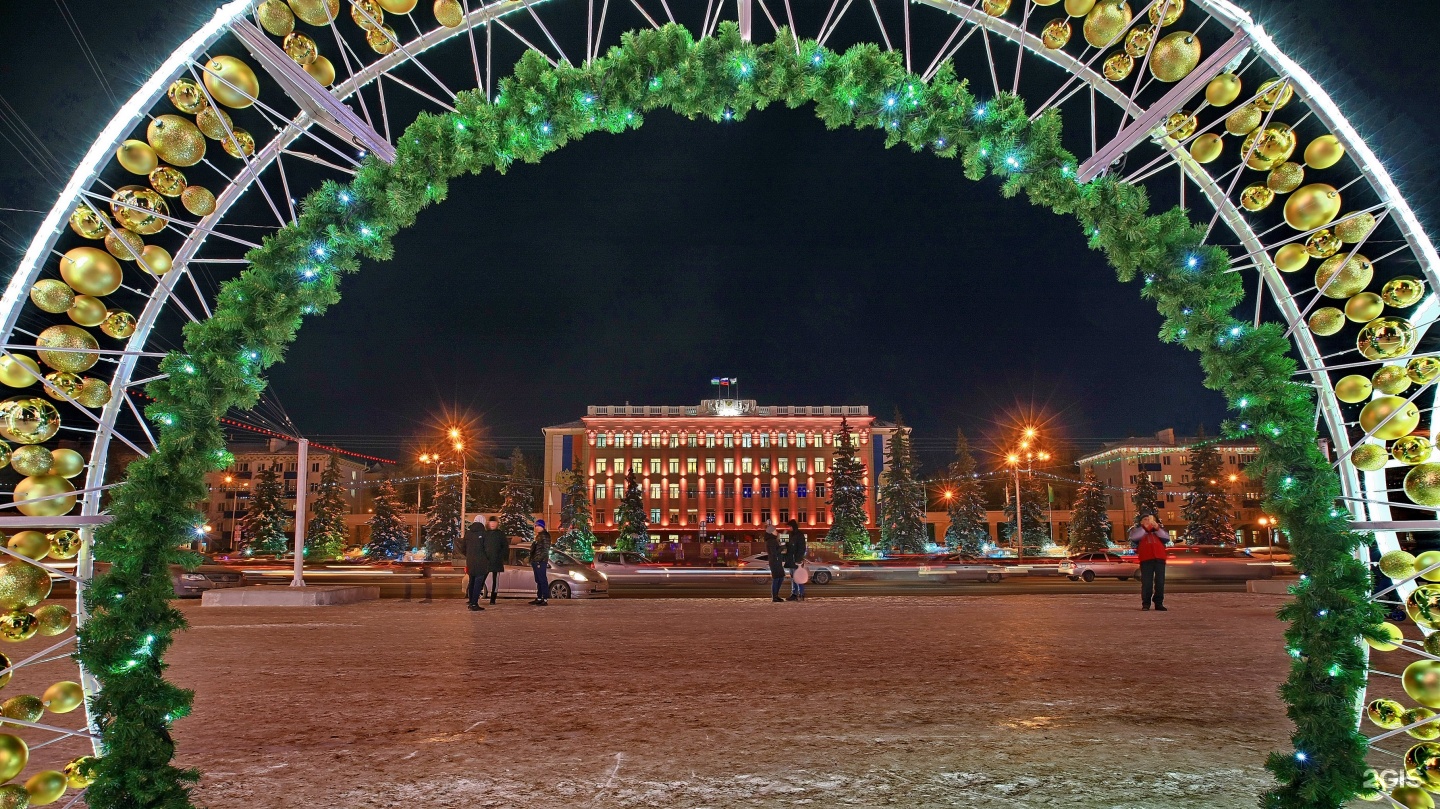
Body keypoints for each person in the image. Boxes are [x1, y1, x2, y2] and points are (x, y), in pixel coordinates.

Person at [1129, 515, 1171, 611]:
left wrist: (1157, 527)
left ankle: (1158, 602)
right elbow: (1134, 537)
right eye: (1145, 519)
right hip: (1146, 559)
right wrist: (1145, 527)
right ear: (1141, 522)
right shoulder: (1138, 531)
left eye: (1150, 519)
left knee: (1160, 582)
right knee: (1147, 582)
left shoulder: (1158, 531)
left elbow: (1166, 537)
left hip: (1159, 559)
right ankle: (1146, 603)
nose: (1148, 521)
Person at [460, 514, 488, 611]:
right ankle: (474, 603)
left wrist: (469, 555)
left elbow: (463, 547)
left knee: (471, 581)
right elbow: (487, 549)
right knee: (478, 583)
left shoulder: (468, 533)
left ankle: (471, 601)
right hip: (481, 561)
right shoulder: (484, 533)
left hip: (470, 561)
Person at [481, 515, 507, 605]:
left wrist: (501, 557)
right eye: (491, 522)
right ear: (488, 523)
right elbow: (481, 547)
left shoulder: (500, 534)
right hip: (486, 561)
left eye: (494, 522)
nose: (492, 524)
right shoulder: (485, 534)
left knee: (495, 581)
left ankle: (493, 599)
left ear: (497, 524)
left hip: (497, 561)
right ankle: (476, 596)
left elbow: (505, 547)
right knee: (481, 579)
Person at [785, 518, 808, 602]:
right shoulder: (791, 535)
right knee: (793, 578)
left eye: (789, 526)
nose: (788, 528)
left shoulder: (799, 535)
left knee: (799, 578)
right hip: (791, 560)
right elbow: (789, 547)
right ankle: (794, 594)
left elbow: (802, 548)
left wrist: (798, 559)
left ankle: (801, 594)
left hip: (797, 561)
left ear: (793, 526)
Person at [530, 520, 552, 606]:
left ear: (542, 526)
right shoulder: (539, 536)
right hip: (536, 561)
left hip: (540, 562)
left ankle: (545, 598)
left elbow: (545, 550)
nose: (536, 527)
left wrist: (538, 560)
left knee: (542, 580)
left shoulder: (545, 536)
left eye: (537, 526)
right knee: (538, 580)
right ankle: (539, 597)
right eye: (535, 526)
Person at [763, 522, 785, 603]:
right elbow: (774, 552)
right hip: (775, 562)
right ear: (771, 531)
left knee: (780, 577)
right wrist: (781, 547)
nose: (776, 531)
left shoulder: (772, 540)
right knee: (777, 578)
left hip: (776, 561)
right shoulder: (771, 541)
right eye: (775, 530)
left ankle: (776, 595)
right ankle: (775, 596)